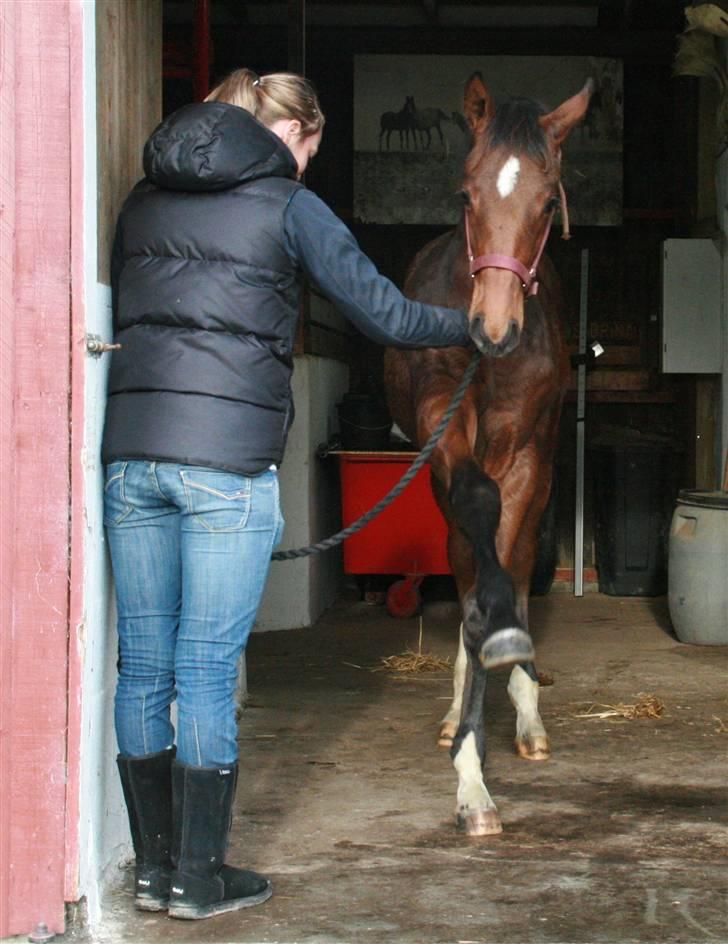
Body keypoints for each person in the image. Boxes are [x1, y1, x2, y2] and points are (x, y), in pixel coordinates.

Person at [102, 67, 475, 922]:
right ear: (296, 134)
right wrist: (472, 327)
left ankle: (158, 871)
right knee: (202, 670)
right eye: (310, 146)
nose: (307, 161)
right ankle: (201, 876)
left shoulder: (143, 198)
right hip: (224, 465)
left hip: (130, 458)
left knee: (145, 667)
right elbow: (385, 313)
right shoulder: (285, 202)